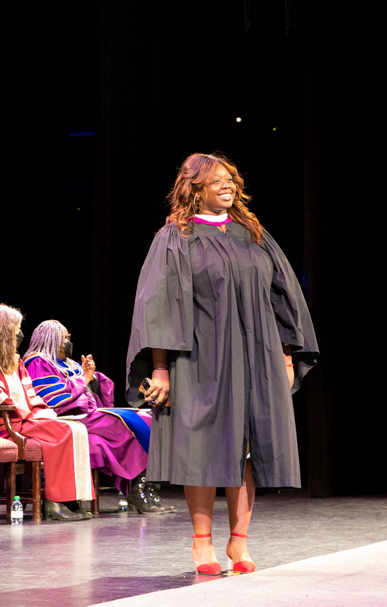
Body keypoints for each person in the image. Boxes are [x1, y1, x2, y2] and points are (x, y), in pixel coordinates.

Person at [127, 153, 318, 575]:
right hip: (199, 357)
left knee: (248, 448)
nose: (228, 186)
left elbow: (282, 296)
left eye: (230, 179)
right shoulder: (175, 237)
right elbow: (159, 305)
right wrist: (160, 369)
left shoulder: (252, 233)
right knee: (203, 448)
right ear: (195, 189)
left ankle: (239, 543)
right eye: (216, 181)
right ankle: (201, 542)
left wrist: (286, 353)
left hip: (257, 355)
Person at [23, 320, 171, 514]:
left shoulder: (67, 363)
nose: (69, 342)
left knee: (149, 418)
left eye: (69, 338)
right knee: (132, 424)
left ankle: (142, 489)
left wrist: (92, 375)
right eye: (65, 338)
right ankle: (137, 491)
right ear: (50, 339)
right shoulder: (38, 362)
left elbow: (95, 386)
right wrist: (84, 378)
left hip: (87, 414)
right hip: (68, 418)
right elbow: (52, 398)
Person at [0, 305, 95, 520]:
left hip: (22, 419)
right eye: (15, 329)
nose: (19, 334)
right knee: (64, 432)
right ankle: (55, 504)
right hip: (0, 423)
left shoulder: (14, 359)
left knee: (75, 428)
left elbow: (30, 393)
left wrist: (42, 413)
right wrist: (25, 415)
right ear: (3, 330)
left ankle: (69, 501)